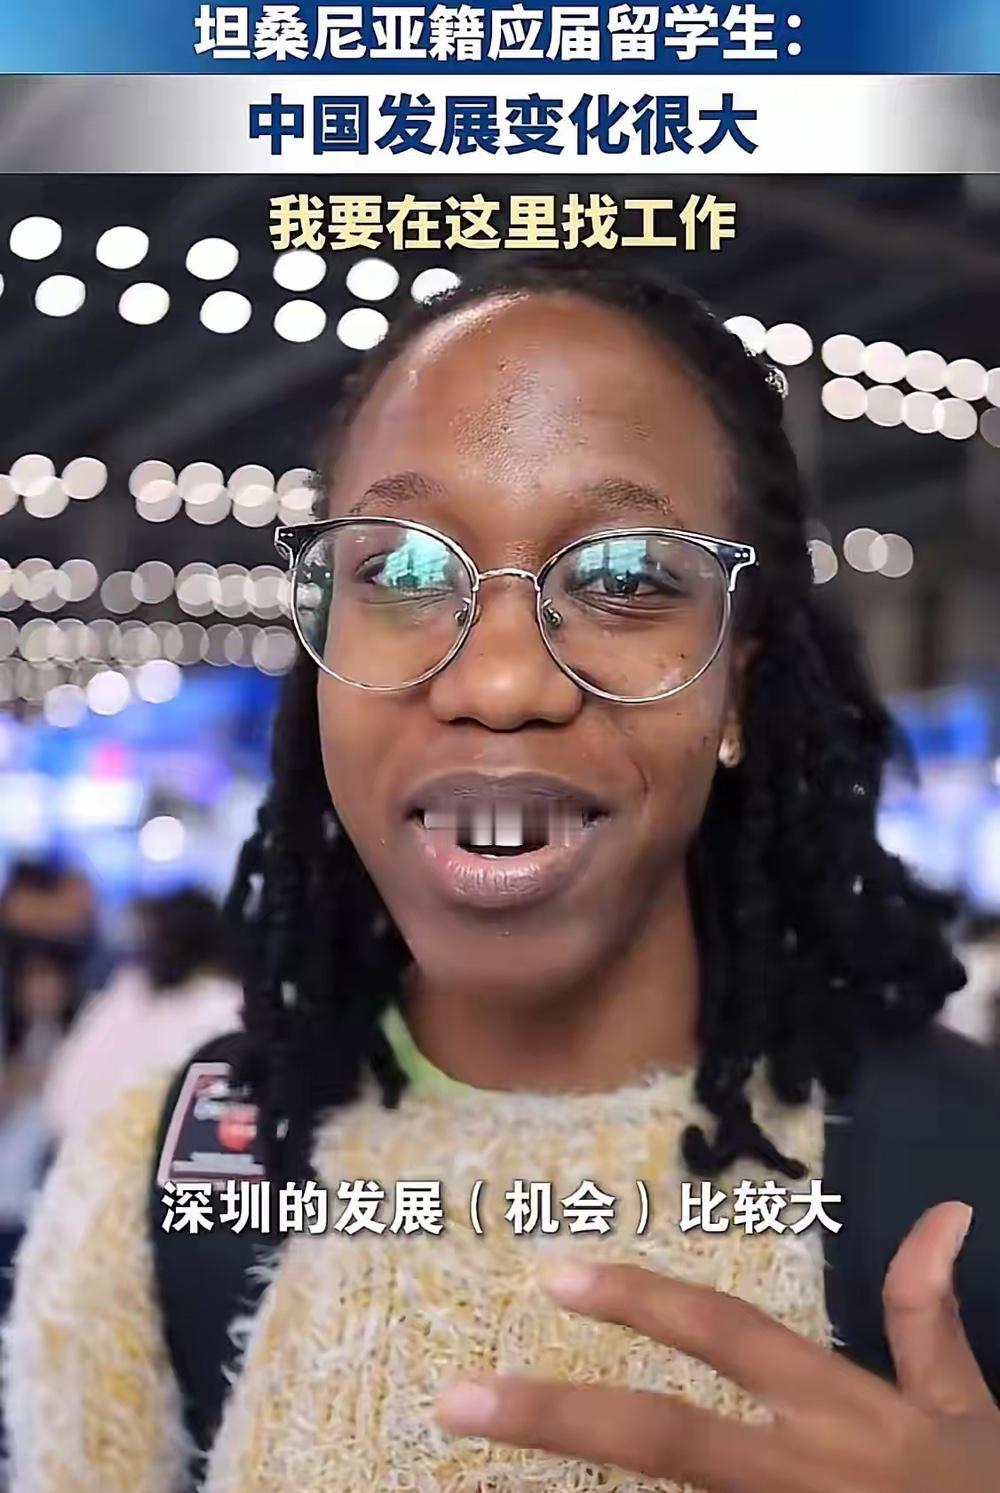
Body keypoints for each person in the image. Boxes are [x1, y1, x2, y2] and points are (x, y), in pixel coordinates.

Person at [4, 257, 999, 1493]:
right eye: (402, 572)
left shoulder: (961, 1171)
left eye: (624, 578)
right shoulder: (151, 1186)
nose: (500, 681)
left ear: (735, 688)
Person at [43, 888, 243, 1144]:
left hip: (90, 1155)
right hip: (131, 1156)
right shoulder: (127, 995)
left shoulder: (122, 995)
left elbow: (59, 1104)